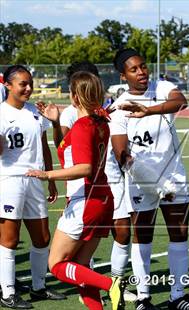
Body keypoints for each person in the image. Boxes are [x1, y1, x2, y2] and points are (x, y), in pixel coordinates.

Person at [110, 48, 189, 310]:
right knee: (143, 235)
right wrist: (153, 182)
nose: (141, 73)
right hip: (142, 181)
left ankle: (178, 296)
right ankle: (143, 298)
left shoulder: (162, 87)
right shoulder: (119, 107)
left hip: (173, 175)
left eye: (143, 66)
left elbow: (180, 101)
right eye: (134, 69)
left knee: (179, 233)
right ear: (123, 75)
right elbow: (120, 152)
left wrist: (148, 110)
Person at [36, 61, 136, 303]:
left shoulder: (84, 125)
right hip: (102, 199)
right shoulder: (100, 122)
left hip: (86, 201)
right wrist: (55, 122)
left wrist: (47, 175)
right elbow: (66, 148)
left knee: (57, 265)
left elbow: (83, 167)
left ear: (75, 96)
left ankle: (110, 284)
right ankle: (105, 292)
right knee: (81, 270)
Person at [0, 65, 65, 308]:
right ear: (8, 85)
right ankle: (8, 293)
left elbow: (48, 146)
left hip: (36, 179)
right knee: (10, 239)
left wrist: (50, 178)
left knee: (42, 238)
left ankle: (39, 288)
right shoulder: (1, 114)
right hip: (9, 180)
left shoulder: (36, 113)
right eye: (23, 84)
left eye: (30, 83)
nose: (29, 88)